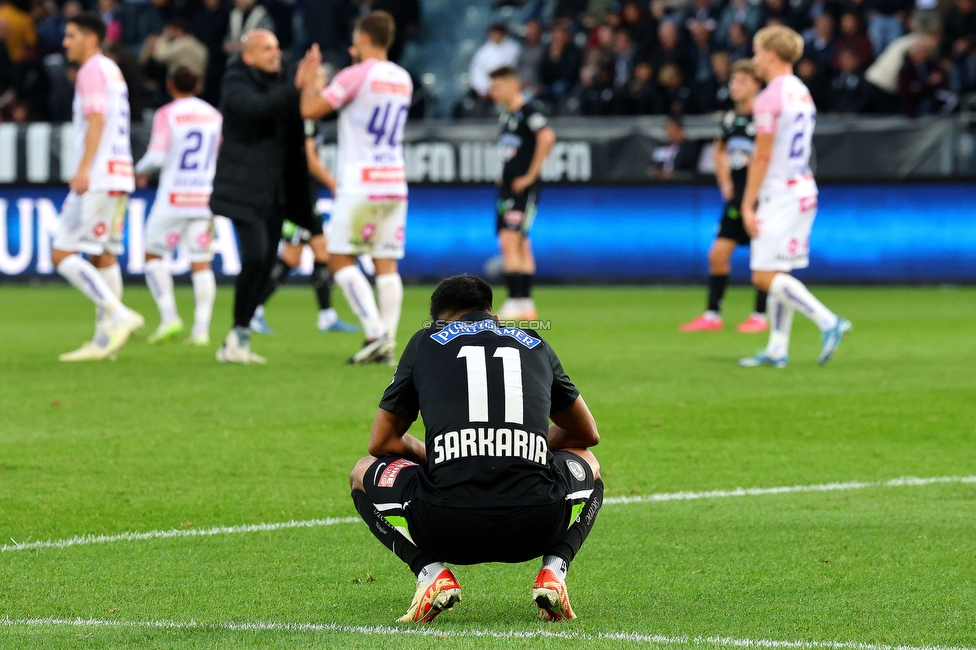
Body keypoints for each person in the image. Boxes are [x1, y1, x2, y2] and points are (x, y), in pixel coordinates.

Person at [348, 274, 603, 624]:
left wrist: (433, 453)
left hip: (445, 525)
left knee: (362, 470)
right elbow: (586, 433)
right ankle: (555, 570)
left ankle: (430, 573)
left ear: (439, 320)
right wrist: (528, 445)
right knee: (589, 462)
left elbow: (381, 442)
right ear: (493, 315)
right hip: (537, 523)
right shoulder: (533, 341)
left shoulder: (426, 341)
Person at [297, 11, 412, 364]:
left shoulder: (355, 75)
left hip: (361, 180)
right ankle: (387, 341)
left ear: (363, 38)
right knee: (386, 263)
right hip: (394, 179)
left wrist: (310, 79)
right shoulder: (403, 77)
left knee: (337, 256)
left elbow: (311, 111)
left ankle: (375, 331)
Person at [739, 25, 851, 368]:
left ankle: (828, 321)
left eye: (757, 53)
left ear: (771, 55)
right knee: (780, 271)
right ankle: (777, 347)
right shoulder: (801, 91)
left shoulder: (769, 97)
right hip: (803, 187)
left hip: (781, 191)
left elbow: (761, 155)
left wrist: (747, 203)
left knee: (762, 275)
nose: (755, 60)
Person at [209, 29, 307, 364]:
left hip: (274, 189)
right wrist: (295, 88)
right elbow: (255, 110)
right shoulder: (235, 81)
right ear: (248, 55)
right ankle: (238, 333)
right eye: (266, 48)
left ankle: (239, 337)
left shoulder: (279, 82)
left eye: (277, 47)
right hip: (242, 186)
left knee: (265, 264)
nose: (275, 53)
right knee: (255, 256)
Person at [52, 13, 143, 362]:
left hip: (100, 176)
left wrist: (84, 168)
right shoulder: (112, 70)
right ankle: (105, 342)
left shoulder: (91, 70)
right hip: (119, 173)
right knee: (104, 255)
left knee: (61, 253)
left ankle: (117, 313)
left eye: (71, 35)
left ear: (91, 39)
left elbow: (96, 118)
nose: (65, 42)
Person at [250, 101, 357, 335]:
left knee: (297, 256)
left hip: (297, 196)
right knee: (310, 253)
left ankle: (325, 316)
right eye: (319, 79)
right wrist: (332, 182)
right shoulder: (305, 118)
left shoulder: (299, 117)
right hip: (298, 199)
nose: (323, 84)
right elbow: (309, 159)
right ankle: (254, 311)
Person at [134, 67, 221, 347]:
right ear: (198, 85)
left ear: (171, 85)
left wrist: (137, 170)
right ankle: (202, 330)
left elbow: (157, 156)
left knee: (153, 256)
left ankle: (170, 316)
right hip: (204, 197)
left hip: (173, 198)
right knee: (201, 262)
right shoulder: (214, 115)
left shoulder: (167, 114)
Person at [681, 61, 768, 333]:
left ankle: (761, 316)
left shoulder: (764, 118)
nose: (734, 86)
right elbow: (719, 149)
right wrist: (724, 180)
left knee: (763, 261)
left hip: (762, 199)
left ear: (756, 85)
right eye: (733, 81)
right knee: (717, 254)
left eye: (741, 81)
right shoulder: (730, 119)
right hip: (737, 198)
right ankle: (712, 314)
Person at [489, 66, 556, 321]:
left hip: (523, 189)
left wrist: (530, 175)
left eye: (497, 86)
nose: (493, 92)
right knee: (521, 244)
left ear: (511, 84)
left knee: (510, 240)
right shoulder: (507, 116)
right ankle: (525, 304)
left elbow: (547, 137)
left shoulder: (529, 112)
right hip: (507, 188)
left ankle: (515, 301)